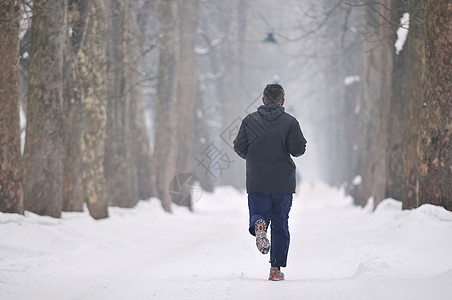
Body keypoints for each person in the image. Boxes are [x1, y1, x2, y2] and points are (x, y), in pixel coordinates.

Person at [233, 84, 307, 281]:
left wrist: (255, 156)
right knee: (281, 224)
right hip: (283, 184)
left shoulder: (250, 121)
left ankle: (260, 224)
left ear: (263, 100)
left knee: (260, 213)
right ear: (282, 101)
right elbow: (298, 150)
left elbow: (239, 147)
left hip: (257, 181)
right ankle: (275, 269)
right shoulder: (290, 122)